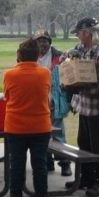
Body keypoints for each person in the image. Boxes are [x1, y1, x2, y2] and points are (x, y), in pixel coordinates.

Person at [66, 17, 99, 197]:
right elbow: (68, 60)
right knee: (84, 143)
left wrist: (82, 87)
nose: (78, 37)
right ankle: (86, 178)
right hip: (85, 107)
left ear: (87, 33)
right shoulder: (80, 49)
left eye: (79, 33)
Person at [4, 38, 52, 197]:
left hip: (15, 126)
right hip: (40, 126)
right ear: (38, 55)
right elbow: (46, 94)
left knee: (16, 166)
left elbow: (7, 97)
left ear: (19, 56)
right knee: (40, 166)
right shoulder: (45, 73)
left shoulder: (9, 74)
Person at [34, 30, 72, 176]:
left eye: (44, 41)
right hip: (38, 101)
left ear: (49, 42)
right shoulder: (30, 56)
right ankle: (47, 162)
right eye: (38, 41)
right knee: (42, 133)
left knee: (58, 133)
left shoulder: (58, 56)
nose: (42, 44)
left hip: (55, 100)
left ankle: (65, 164)